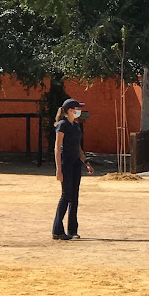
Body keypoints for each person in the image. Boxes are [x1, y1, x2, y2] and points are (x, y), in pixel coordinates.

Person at [52, 98, 94, 240]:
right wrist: (59, 169)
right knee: (66, 195)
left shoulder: (76, 126)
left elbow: (78, 147)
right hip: (66, 164)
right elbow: (57, 148)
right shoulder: (62, 125)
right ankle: (57, 230)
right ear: (70, 110)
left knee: (74, 197)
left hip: (76, 164)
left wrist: (86, 162)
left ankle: (72, 230)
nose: (79, 111)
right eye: (77, 108)